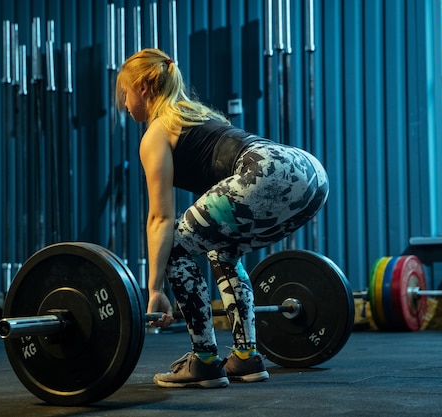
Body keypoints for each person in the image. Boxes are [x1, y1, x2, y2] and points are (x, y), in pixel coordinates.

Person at [115, 48, 329, 389]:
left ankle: (204, 359)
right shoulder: (199, 116)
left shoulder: (156, 133)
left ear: (142, 87)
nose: (123, 104)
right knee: (223, 251)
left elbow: (160, 217)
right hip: (311, 173)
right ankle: (246, 357)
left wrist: (154, 289)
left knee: (174, 245)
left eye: (123, 93)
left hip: (268, 169)